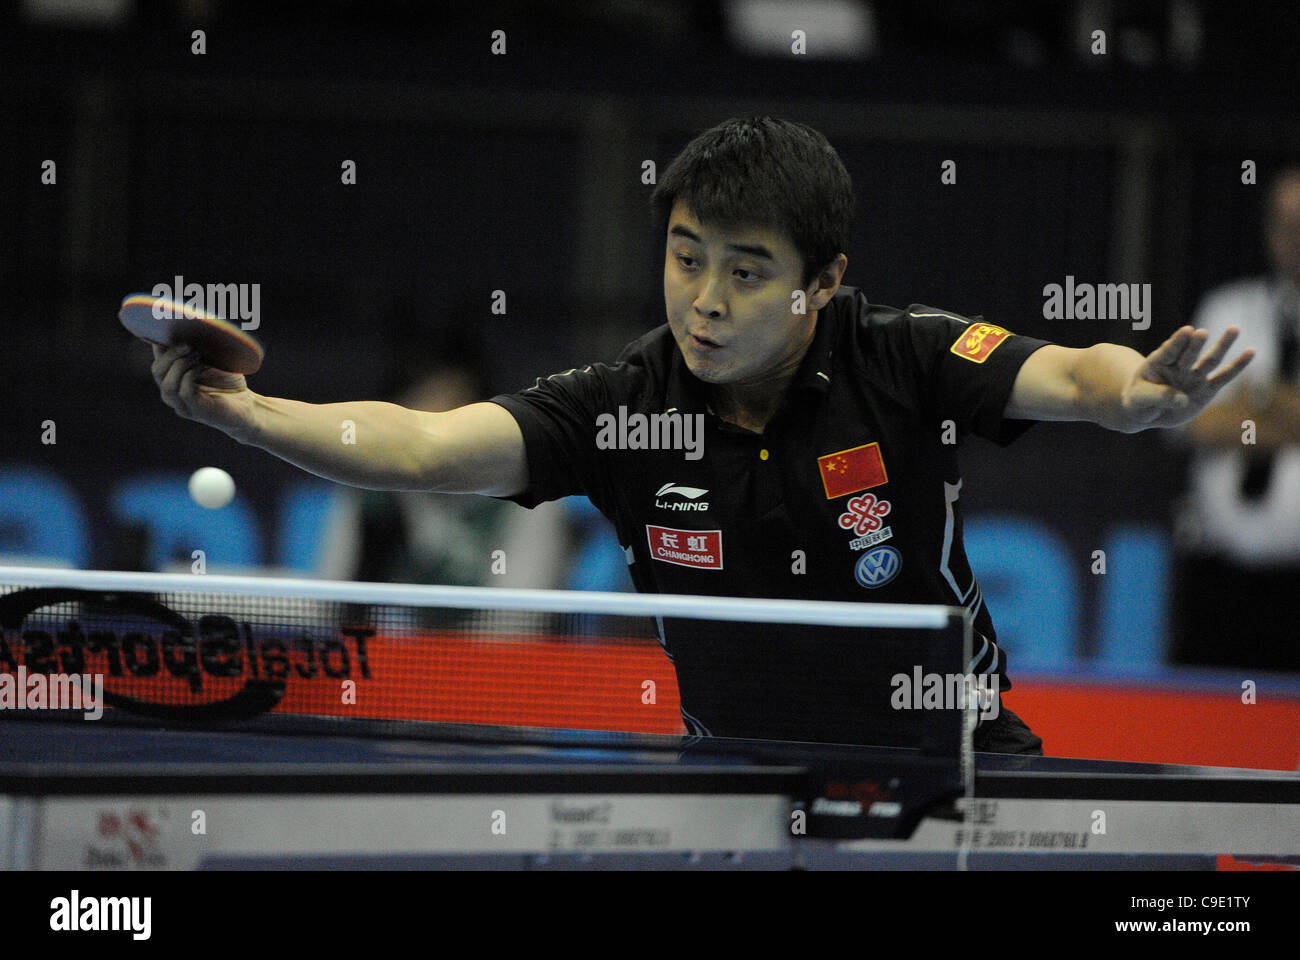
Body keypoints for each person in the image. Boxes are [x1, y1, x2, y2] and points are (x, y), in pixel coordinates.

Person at [150, 117, 1253, 754]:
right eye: (685, 257)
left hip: (950, 767)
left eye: (746, 270)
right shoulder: (622, 402)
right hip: (731, 770)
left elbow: (1065, 369)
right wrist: (247, 414)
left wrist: (1137, 396)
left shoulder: (900, 355)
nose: (705, 301)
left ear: (823, 283)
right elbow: (424, 448)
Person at [1172, 168, 1300, 671]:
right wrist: (1286, 411)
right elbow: (1191, 419)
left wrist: (1256, 397)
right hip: (1219, 580)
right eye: (1286, 225)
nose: (1296, 240)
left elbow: (1226, 412)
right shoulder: (1230, 306)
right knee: (1204, 735)